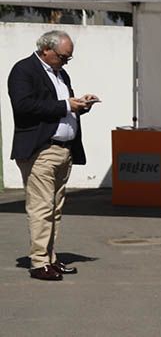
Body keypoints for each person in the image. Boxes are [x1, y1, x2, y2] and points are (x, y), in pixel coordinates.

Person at [7, 30, 99, 281]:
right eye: (63, 57)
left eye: (68, 58)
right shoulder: (24, 70)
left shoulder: (60, 73)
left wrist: (81, 105)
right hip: (41, 149)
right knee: (41, 208)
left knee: (55, 209)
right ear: (46, 49)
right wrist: (67, 105)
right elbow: (24, 107)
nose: (65, 61)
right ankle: (39, 262)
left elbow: (62, 107)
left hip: (63, 150)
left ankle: (50, 258)